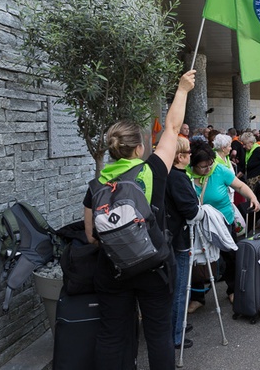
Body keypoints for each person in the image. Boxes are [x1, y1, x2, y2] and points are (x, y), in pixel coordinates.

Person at [83, 69, 195, 370]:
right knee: (158, 335)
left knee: (111, 335)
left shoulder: (97, 185)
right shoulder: (153, 171)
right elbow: (172, 128)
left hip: (113, 270)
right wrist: (182, 89)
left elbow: (92, 236)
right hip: (155, 267)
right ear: (139, 148)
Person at [186, 141, 260, 312]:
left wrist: (253, 197)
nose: (208, 168)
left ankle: (233, 290)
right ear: (193, 164)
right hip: (198, 224)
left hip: (223, 222)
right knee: (197, 260)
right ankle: (198, 298)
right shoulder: (185, 175)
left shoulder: (218, 170)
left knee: (229, 257)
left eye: (209, 164)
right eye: (203, 166)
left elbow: (240, 186)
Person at [165, 137, 197, 350]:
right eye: (188, 152)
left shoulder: (167, 174)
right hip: (179, 239)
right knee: (179, 289)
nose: (191, 155)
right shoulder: (177, 178)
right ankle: (175, 335)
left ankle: (177, 326)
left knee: (176, 287)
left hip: (170, 236)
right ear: (180, 156)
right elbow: (190, 211)